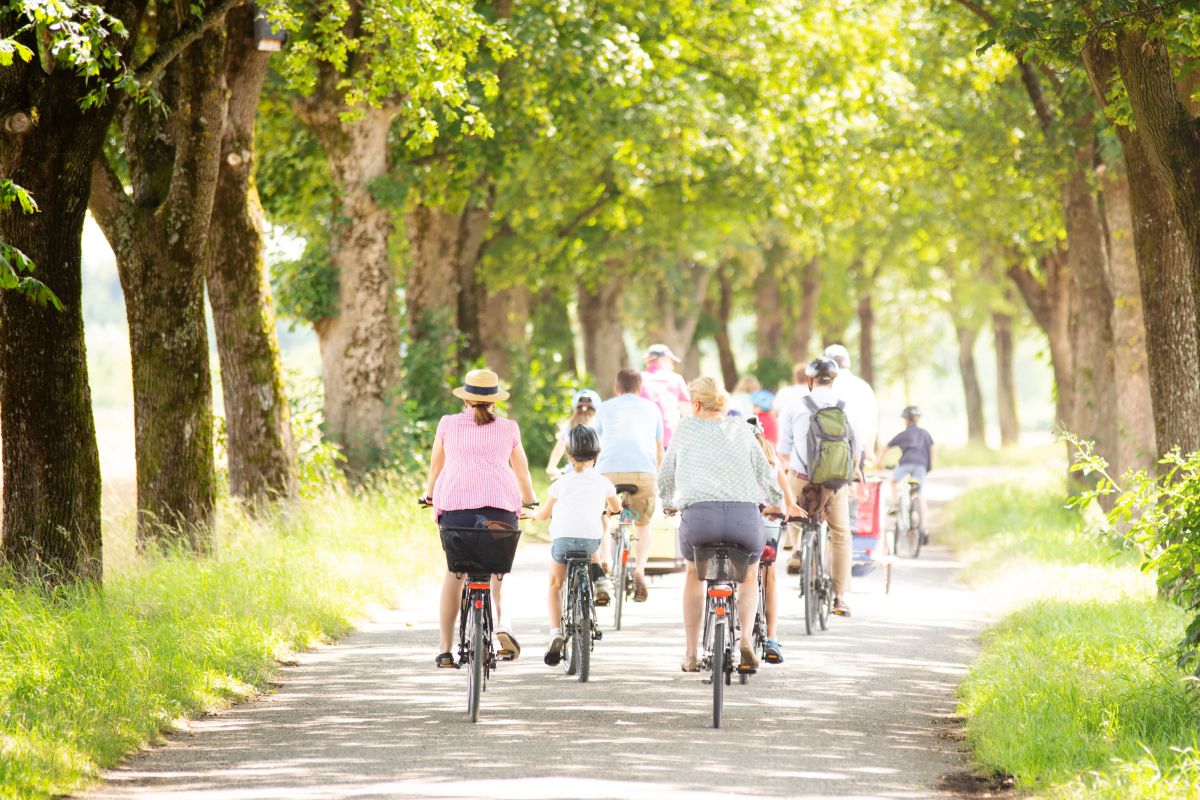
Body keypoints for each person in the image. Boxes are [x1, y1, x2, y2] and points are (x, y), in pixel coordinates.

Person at [658, 377, 784, 674]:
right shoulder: (742, 429)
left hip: (700, 520)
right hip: (744, 519)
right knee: (750, 575)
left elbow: (666, 474)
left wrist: (667, 502)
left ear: (697, 404)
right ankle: (746, 644)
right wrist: (776, 502)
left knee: (693, 572)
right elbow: (765, 472)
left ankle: (690, 654)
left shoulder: (684, 429)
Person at [422, 369, 538, 669]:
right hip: (500, 513)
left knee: (455, 574)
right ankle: (503, 624)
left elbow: (436, 468)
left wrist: (429, 496)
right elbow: (523, 472)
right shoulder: (509, 428)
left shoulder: (448, 424)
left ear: (466, 399)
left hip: (456, 512)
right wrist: (529, 501)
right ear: (494, 402)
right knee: (498, 572)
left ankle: (445, 649)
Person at [778, 357, 863, 617]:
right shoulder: (846, 406)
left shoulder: (793, 405)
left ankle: (796, 549)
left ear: (809, 380)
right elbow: (855, 449)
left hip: (802, 478)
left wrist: (794, 467)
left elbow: (783, 450)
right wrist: (852, 473)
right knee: (840, 533)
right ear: (834, 380)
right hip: (834, 481)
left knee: (790, 511)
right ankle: (839, 597)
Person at [535, 425, 622, 666]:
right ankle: (600, 579)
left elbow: (543, 515)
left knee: (555, 585)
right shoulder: (604, 483)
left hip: (562, 542)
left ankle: (555, 632)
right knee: (592, 542)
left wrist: (530, 515)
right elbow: (615, 508)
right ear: (597, 456)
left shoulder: (560, 484)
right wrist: (613, 509)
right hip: (588, 542)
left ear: (569, 457)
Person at [594, 368, 664, 602]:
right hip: (643, 472)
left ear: (617, 388)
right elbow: (658, 448)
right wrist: (658, 477)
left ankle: (604, 565)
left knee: (601, 517)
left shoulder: (604, 407)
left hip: (608, 473)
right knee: (643, 525)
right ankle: (640, 571)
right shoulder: (652, 409)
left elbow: (594, 444)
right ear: (639, 388)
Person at [747, 415, 803, 664]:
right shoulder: (771, 460)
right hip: (767, 524)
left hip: (739, 523)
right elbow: (786, 499)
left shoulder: (732, 461)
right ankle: (771, 638)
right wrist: (785, 509)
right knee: (768, 576)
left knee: (740, 573)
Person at [877, 405, 936, 542]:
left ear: (906, 420)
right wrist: (930, 465)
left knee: (893, 481)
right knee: (920, 494)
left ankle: (896, 505)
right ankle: (924, 528)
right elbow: (933, 448)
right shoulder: (925, 433)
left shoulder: (904, 434)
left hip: (906, 463)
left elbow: (886, 447)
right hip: (922, 465)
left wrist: (879, 462)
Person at [824, 344, 879, 469]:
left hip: (830, 451)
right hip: (859, 451)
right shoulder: (864, 387)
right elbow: (872, 420)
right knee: (854, 486)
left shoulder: (827, 386)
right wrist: (869, 450)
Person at [639, 343, 692, 449]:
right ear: (664, 359)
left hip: (645, 441)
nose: (673, 366)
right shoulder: (676, 379)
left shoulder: (638, 379)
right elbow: (688, 412)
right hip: (671, 440)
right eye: (672, 362)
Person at [546, 389, 601, 477]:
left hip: (592, 472)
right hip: (576, 471)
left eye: (588, 409)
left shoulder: (598, 427)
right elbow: (559, 449)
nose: (584, 411)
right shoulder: (569, 427)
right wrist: (551, 467)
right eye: (580, 409)